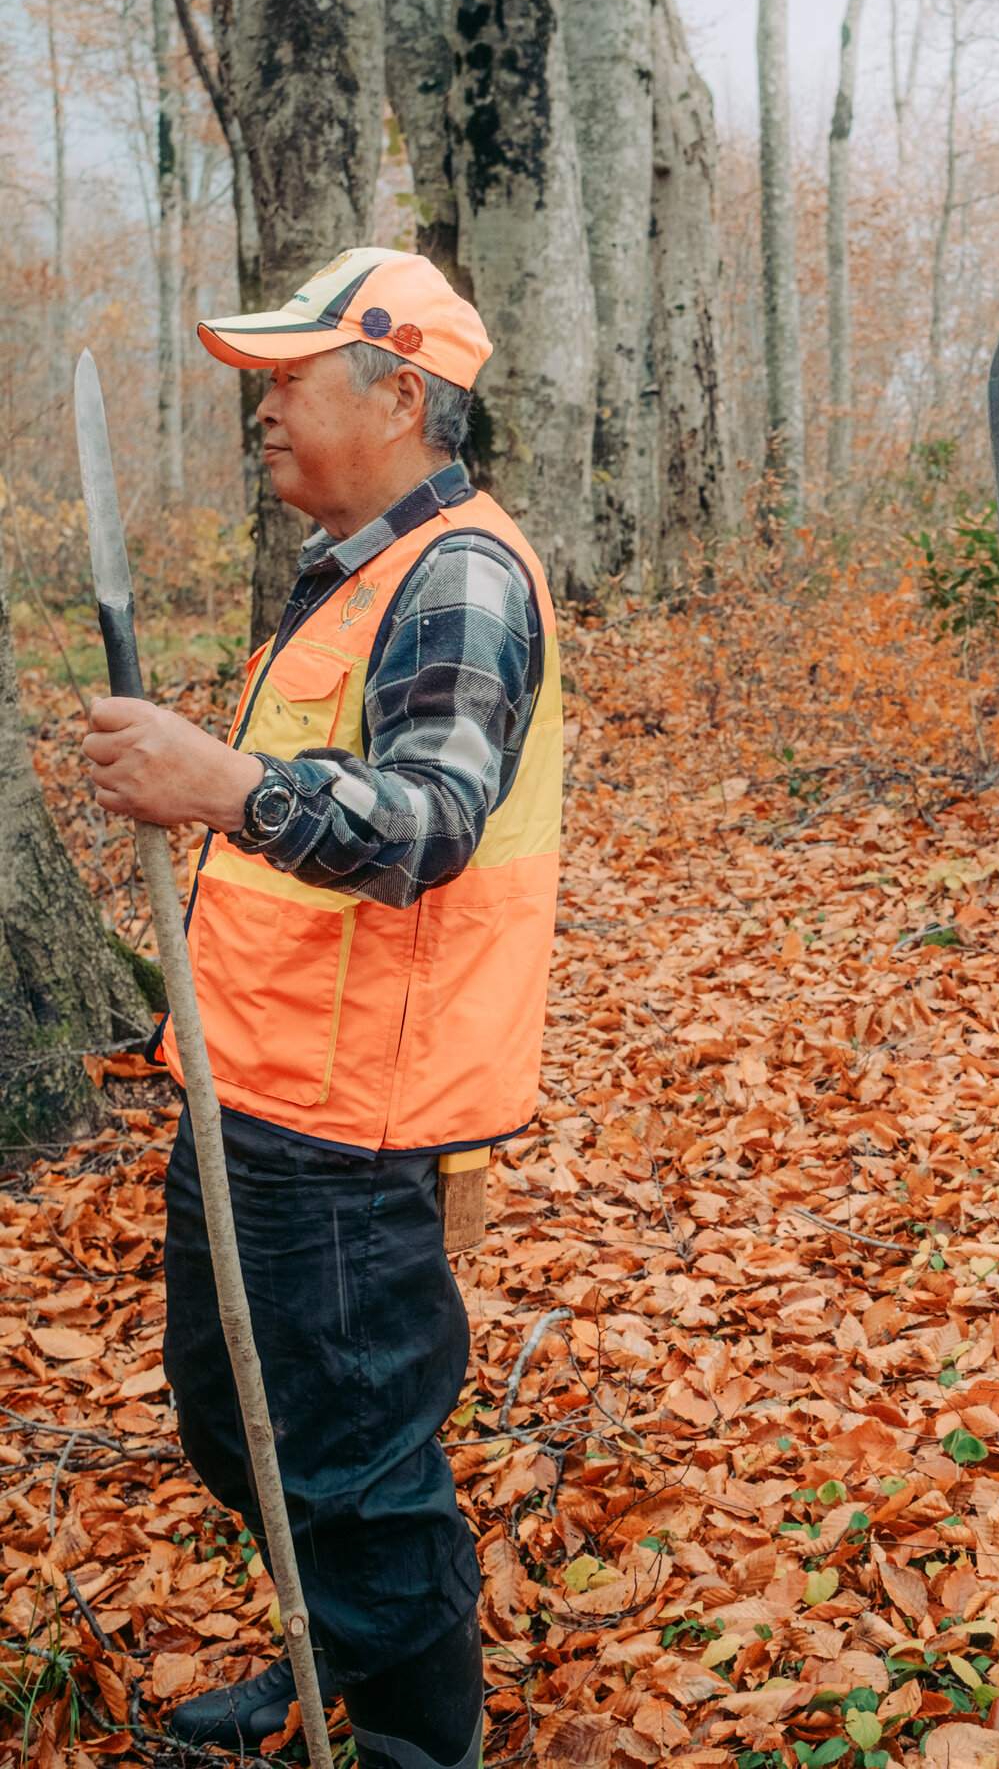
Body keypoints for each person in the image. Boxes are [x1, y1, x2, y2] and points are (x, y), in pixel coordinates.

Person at [81, 248, 564, 1768]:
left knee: (354, 1463)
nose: (262, 414)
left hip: (355, 1115)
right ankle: (337, 1657)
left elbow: (425, 825)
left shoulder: (462, 576)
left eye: (288, 382)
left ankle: (421, 1740)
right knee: (239, 1427)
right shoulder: (354, 569)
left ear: (401, 392)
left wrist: (216, 783)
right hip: (256, 1087)